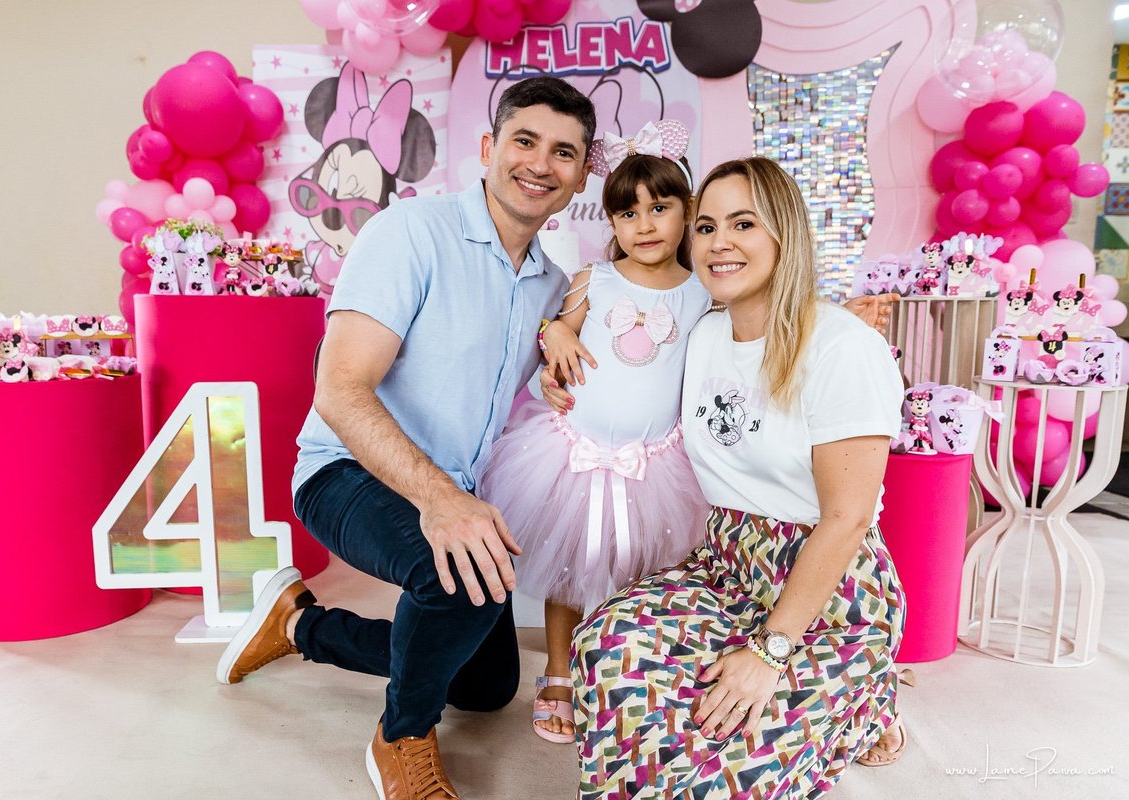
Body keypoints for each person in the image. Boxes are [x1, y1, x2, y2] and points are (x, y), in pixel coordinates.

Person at [214, 76, 595, 800]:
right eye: (524, 140)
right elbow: (340, 389)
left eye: (564, 151)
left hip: (449, 488)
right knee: (467, 579)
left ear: (580, 174)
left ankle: (300, 626)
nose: (541, 163)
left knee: (485, 685)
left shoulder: (553, 287)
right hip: (344, 472)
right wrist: (441, 500)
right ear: (487, 149)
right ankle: (400, 736)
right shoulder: (411, 232)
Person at [551, 157, 909, 797]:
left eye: (743, 223)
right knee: (609, 644)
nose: (719, 243)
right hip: (722, 566)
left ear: (783, 232)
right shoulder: (705, 334)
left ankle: (863, 700)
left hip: (826, 592)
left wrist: (770, 654)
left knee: (725, 759)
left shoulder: (843, 347)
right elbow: (621, 356)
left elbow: (848, 518)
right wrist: (557, 346)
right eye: (707, 225)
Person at [476, 120, 712, 745]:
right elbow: (558, 328)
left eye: (660, 209)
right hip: (573, 455)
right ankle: (558, 672)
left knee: (645, 574)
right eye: (627, 213)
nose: (644, 225)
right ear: (609, 221)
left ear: (686, 213)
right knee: (569, 569)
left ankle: (630, 667)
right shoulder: (595, 279)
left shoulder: (702, 293)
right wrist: (553, 332)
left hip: (654, 462)